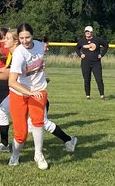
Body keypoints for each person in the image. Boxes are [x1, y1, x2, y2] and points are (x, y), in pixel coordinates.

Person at [7, 23, 77, 169]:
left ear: (33, 36)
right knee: (21, 134)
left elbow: (40, 62)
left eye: (28, 37)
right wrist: (29, 92)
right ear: (18, 38)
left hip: (38, 90)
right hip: (19, 93)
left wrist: (41, 80)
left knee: (39, 122)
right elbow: (12, 82)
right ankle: (15, 155)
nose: (25, 41)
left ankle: (38, 154)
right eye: (21, 38)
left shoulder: (40, 46)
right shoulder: (19, 54)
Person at [77, 24, 108, 99]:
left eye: (89, 31)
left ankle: (102, 95)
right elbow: (76, 48)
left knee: (99, 79)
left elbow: (106, 45)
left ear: (92, 32)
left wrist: (102, 54)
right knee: (87, 79)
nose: (87, 33)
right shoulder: (82, 40)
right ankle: (88, 95)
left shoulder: (97, 39)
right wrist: (80, 55)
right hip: (85, 63)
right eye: (86, 31)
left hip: (96, 63)